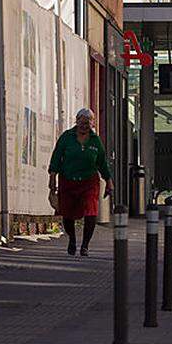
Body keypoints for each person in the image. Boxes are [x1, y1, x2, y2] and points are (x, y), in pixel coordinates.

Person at [48, 108, 114, 256]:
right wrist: (52, 176)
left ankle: (85, 245)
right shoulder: (67, 137)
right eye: (82, 123)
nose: (84, 126)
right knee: (67, 213)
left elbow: (102, 163)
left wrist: (109, 181)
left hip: (89, 182)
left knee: (91, 212)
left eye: (88, 123)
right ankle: (72, 239)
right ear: (77, 122)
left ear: (92, 124)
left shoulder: (95, 140)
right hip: (68, 180)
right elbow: (56, 157)